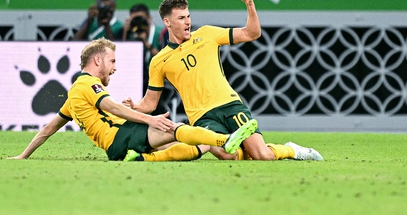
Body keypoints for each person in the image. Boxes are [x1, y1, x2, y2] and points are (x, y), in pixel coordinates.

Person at [122, 0, 323, 161]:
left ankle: (292, 150)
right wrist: (135, 107)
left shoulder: (207, 34)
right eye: (181, 18)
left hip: (229, 105)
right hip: (201, 116)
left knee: (263, 156)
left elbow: (251, 33)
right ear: (167, 22)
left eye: (188, 16)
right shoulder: (159, 60)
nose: (187, 22)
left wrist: (250, 4)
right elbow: (151, 103)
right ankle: (246, 149)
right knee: (226, 154)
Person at [8, 38, 257, 162]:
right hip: (121, 137)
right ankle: (225, 140)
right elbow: (110, 106)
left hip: (119, 141)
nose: (114, 68)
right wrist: (150, 119)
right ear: (97, 61)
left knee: (170, 145)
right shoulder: (87, 83)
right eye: (112, 61)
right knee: (174, 128)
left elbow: (49, 128)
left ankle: (218, 146)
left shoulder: (74, 94)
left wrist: (24, 155)